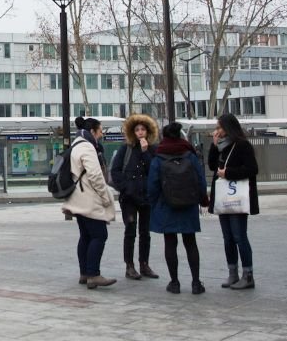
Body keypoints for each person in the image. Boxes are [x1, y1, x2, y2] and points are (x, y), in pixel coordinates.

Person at [148, 122, 209, 295]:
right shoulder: (190, 154)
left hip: (167, 205)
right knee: (190, 243)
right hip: (188, 204)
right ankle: (196, 283)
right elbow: (200, 179)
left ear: (164, 137)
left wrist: (154, 204)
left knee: (170, 243)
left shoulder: (158, 157)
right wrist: (202, 199)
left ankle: (174, 282)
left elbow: (152, 186)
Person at [64, 116, 118, 288]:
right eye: (100, 131)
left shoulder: (76, 145)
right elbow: (95, 175)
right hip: (88, 198)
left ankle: (85, 273)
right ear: (93, 131)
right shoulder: (87, 147)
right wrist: (105, 197)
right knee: (99, 235)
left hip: (78, 197)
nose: (101, 134)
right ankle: (93, 274)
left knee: (86, 236)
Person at [207, 113, 259, 290]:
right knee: (227, 237)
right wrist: (213, 147)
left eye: (220, 127)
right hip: (224, 198)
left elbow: (252, 169)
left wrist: (228, 173)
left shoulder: (242, 145)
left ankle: (248, 274)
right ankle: (232, 272)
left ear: (228, 128)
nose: (217, 131)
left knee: (239, 236)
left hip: (237, 198)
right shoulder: (221, 147)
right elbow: (212, 166)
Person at [110, 113, 160, 281]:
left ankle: (144, 264)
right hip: (130, 198)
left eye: (143, 129)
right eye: (137, 130)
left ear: (148, 131)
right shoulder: (126, 148)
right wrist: (125, 188)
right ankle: (129, 265)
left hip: (146, 197)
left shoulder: (153, 149)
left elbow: (154, 170)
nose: (140, 132)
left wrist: (146, 152)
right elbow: (115, 171)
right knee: (130, 231)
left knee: (145, 232)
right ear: (132, 132)